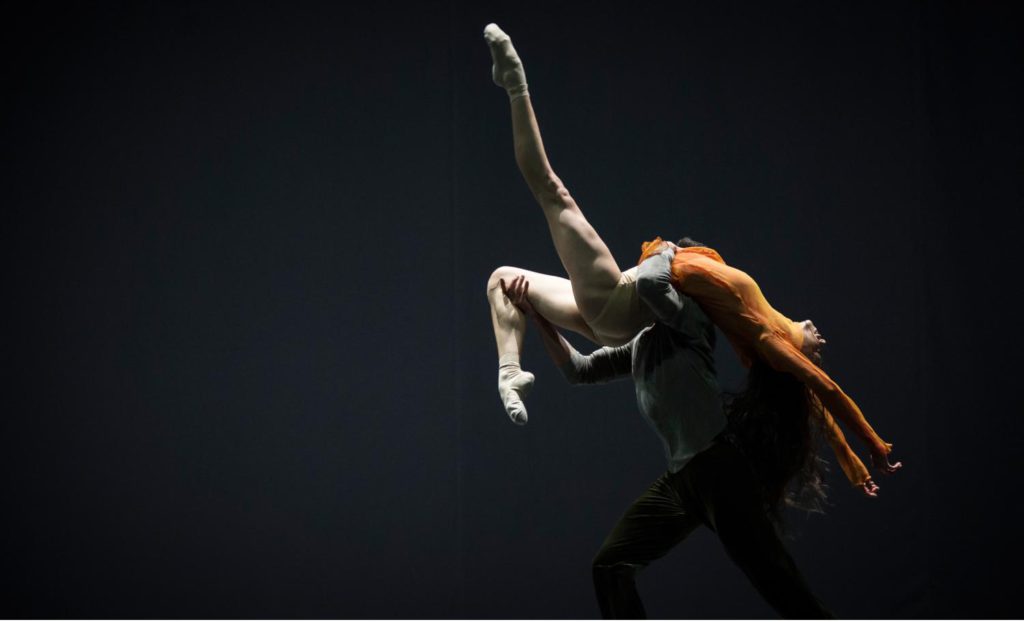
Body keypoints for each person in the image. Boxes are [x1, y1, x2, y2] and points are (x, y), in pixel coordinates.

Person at [481, 23, 900, 493]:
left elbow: (824, 390)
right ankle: (510, 374)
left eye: (816, 351)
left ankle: (513, 80)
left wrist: (873, 450)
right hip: (611, 317)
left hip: (622, 297)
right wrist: (857, 463)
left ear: (793, 352)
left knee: (553, 191)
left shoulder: (766, 337)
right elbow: (815, 398)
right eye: (818, 347)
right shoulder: (760, 316)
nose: (821, 340)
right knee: (501, 280)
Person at [501, 260, 834, 619]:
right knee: (610, 566)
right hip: (681, 482)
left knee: (778, 581)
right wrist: (539, 317)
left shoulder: (690, 320)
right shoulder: (642, 341)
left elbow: (648, 283)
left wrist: (667, 251)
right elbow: (580, 371)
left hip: (721, 470)